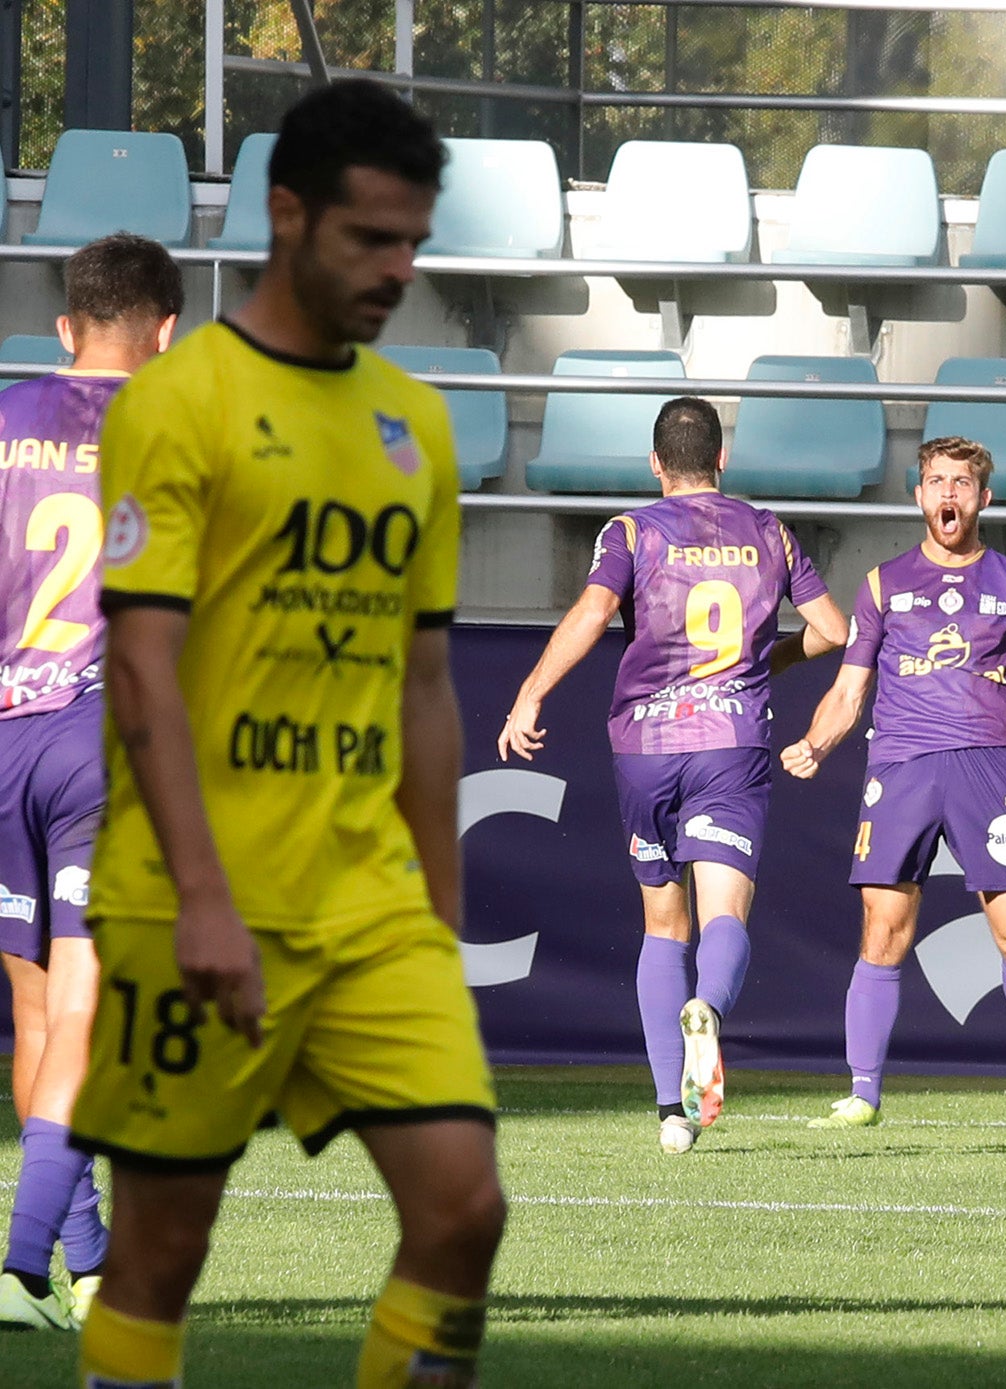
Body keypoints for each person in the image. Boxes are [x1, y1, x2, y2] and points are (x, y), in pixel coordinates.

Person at [67, 79, 504, 1389]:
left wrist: (438, 911)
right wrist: (202, 895)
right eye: (371, 238)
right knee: (159, 1253)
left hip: (365, 903)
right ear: (286, 213)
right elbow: (141, 666)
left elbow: (426, 686)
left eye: (414, 241)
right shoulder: (178, 401)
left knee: (463, 1210)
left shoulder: (413, 424)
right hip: (187, 897)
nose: (397, 269)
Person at [499, 396, 848, 1154]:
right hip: (730, 739)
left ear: (655, 463)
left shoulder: (631, 530)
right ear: (722, 459)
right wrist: (768, 661)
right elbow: (835, 631)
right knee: (724, 913)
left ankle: (671, 1111)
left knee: (663, 922)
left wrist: (529, 693)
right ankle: (709, 1014)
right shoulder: (767, 529)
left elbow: (593, 614)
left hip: (645, 746)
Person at [781, 436, 1006, 1133]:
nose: (947, 493)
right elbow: (849, 687)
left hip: (985, 764)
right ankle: (863, 1093)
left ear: (984, 497)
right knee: (883, 928)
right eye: (934, 481)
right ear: (918, 495)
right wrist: (815, 743)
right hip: (902, 765)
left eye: (961, 483)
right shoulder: (883, 584)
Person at [0, 234, 183, 1332]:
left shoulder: (3, 420)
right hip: (102, 741)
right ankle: (23, 1266)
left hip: (2, 737)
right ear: (167, 332)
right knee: (87, 1011)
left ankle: (91, 1267)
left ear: (66, 328)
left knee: (35, 1014)